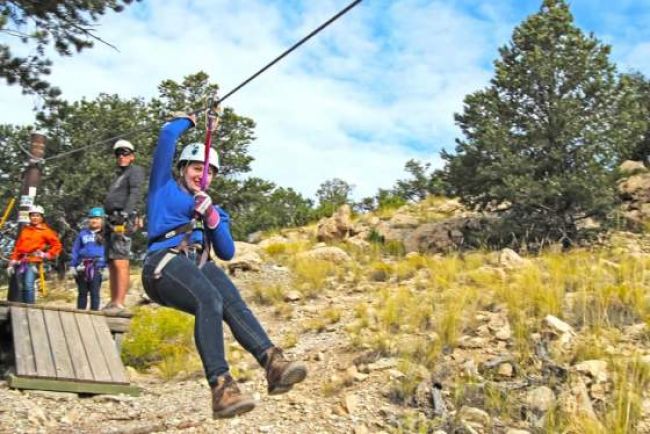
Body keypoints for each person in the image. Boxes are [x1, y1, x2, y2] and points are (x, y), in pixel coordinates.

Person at [142, 113, 307, 419]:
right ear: (182, 169)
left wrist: (213, 218)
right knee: (210, 298)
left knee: (233, 303)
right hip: (162, 263)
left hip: (198, 264)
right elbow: (166, 136)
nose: (201, 175)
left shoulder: (211, 207)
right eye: (195, 167)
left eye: (208, 172)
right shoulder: (164, 189)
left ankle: (272, 362)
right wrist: (188, 122)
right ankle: (221, 386)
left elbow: (227, 251)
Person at [103, 139, 145, 313]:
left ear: (132, 156)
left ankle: (120, 303)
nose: (121, 157)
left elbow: (136, 192)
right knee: (112, 260)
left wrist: (126, 214)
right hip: (112, 218)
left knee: (121, 259)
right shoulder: (118, 176)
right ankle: (113, 301)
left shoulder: (135, 171)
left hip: (122, 218)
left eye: (125, 153)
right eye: (118, 154)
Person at [6, 205, 62, 303]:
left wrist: (47, 255)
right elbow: (18, 247)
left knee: (28, 285)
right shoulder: (26, 230)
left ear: (42, 217)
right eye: (32, 216)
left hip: (32, 261)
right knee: (22, 286)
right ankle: (23, 308)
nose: (35, 218)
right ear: (30, 217)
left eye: (37, 216)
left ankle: (31, 309)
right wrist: (12, 261)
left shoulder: (46, 231)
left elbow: (57, 245)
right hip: (20, 261)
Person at [69, 207, 107, 311]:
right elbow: (76, 249)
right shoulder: (83, 234)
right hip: (82, 266)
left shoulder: (106, 235)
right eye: (92, 218)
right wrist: (72, 265)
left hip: (97, 266)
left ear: (102, 220)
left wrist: (106, 267)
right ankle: (80, 315)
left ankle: (94, 315)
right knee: (82, 292)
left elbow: (109, 251)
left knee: (95, 292)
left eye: (97, 218)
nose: (94, 220)